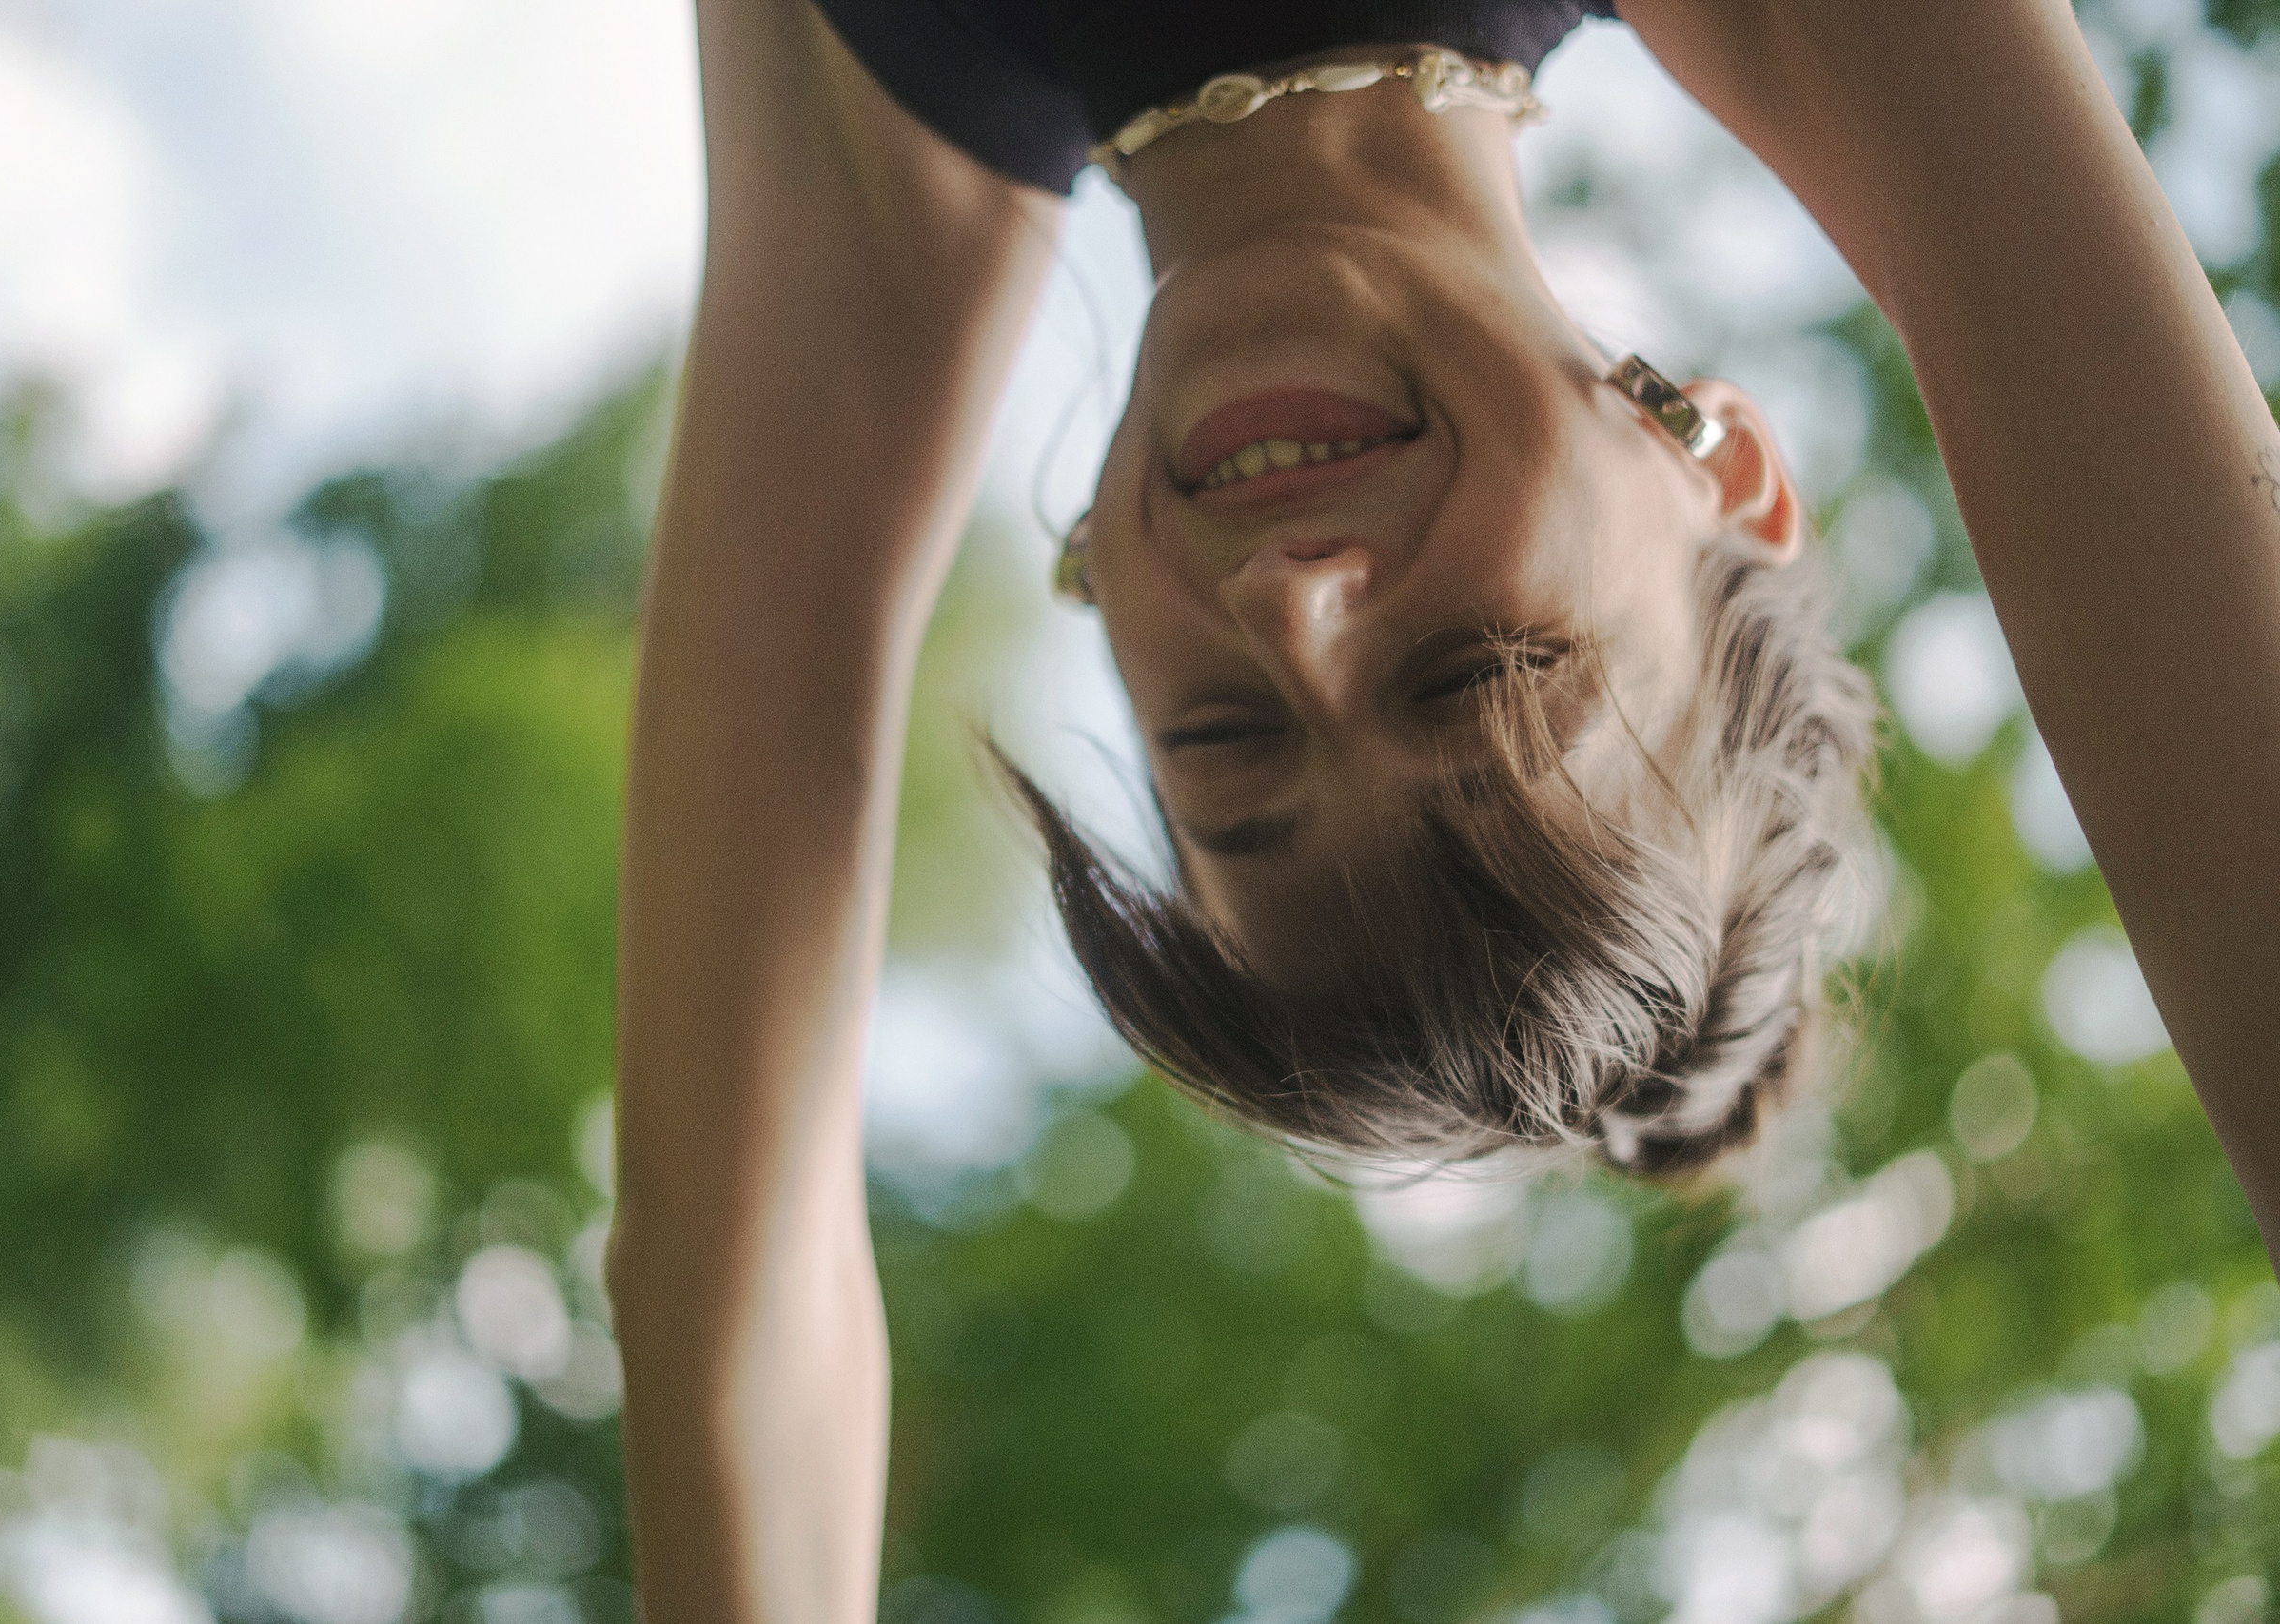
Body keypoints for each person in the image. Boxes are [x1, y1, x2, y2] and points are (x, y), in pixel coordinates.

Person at [606, 0, 2280, 1615]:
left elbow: (717, 1262)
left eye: (1228, 743)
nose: (1291, 607)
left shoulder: (880, 165)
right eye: (1479, 674)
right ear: (1720, 472)